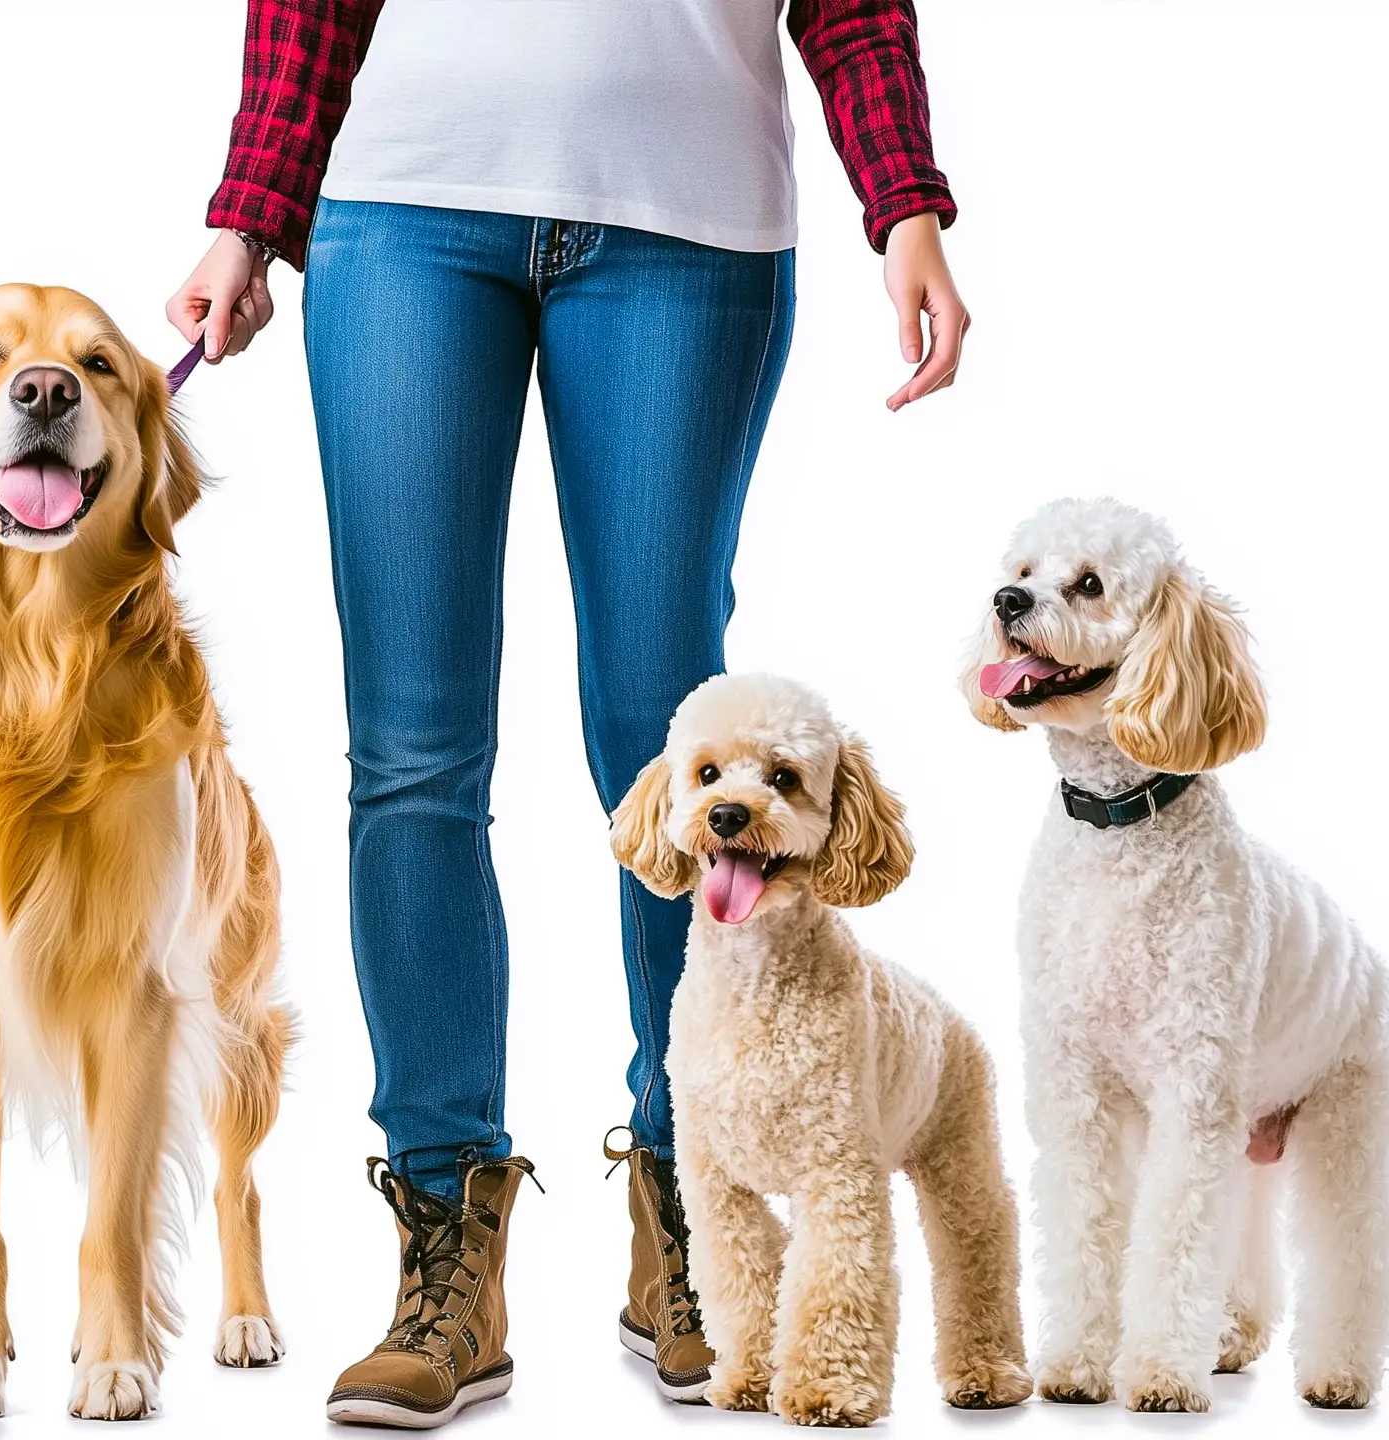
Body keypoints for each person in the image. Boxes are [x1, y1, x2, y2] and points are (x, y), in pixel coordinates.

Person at [169, 1, 968, 1424]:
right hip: (408, 207)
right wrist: (251, 209)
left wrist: (902, 199)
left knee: (670, 747)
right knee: (411, 755)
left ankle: (690, 1204)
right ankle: (445, 1247)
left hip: (688, 223)